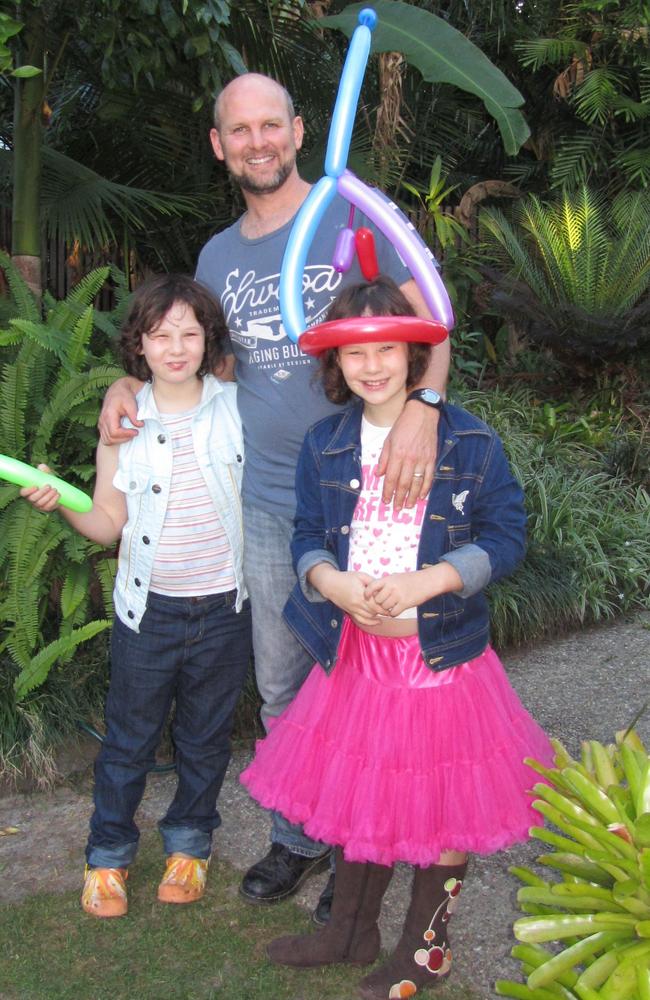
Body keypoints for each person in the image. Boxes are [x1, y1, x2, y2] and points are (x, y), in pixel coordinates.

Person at [98, 73, 451, 919]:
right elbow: (202, 362)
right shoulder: (218, 256)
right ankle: (298, 837)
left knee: (372, 678)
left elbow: (431, 319)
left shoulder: (349, 218)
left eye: (271, 125)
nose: (258, 142)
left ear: (297, 131)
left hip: (368, 491)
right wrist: (126, 381)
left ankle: (360, 855)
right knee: (285, 681)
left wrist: (426, 410)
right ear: (219, 146)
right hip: (264, 502)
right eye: (239, 130)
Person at [240, 276, 554, 998]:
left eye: (388, 347)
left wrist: (431, 580)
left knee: (440, 804)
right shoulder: (325, 444)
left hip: (440, 664)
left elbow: (507, 537)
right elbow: (307, 534)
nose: (372, 364)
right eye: (355, 352)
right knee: (364, 791)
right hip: (355, 661)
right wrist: (328, 581)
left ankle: (425, 951)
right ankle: (350, 931)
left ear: (414, 354)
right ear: (335, 363)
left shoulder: (469, 440)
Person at [22, 274, 252, 918]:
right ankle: (108, 857)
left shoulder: (238, 407)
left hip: (225, 610)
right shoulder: (122, 422)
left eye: (188, 333)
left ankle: (189, 846)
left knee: (205, 740)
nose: (175, 348)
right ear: (139, 345)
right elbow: (106, 524)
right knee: (128, 740)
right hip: (147, 611)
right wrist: (57, 498)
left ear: (208, 340)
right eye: (159, 335)